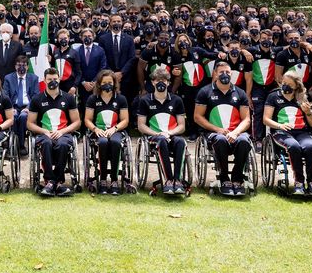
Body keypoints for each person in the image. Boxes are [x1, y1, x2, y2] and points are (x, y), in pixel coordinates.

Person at [192, 60, 252, 197]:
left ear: (231, 74)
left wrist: (236, 132)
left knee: (244, 141)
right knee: (220, 140)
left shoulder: (240, 93)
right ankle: (224, 178)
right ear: (215, 74)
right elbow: (197, 117)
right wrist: (218, 129)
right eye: (221, 72)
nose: (225, 75)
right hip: (214, 133)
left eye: (227, 72)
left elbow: (247, 120)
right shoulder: (205, 92)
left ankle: (237, 178)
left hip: (236, 132)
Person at [263, 71, 312, 196]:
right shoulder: (273, 96)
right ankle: (299, 182)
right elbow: (266, 119)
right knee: (293, 146)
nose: (285, 86)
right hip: (281, 131)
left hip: (302, 131)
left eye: (289, 84)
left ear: (296, 86)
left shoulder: (302, 98)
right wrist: (280, 125)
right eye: (284, 83)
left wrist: (308, 113)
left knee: (311, 147)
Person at [27, 68, 81, 196]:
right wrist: (44, 131)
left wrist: (63, 131)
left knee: (63, 145)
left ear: (59, 79)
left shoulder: (68, 98)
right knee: (46, 144)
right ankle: (50, 181)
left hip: (63, 133)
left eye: (55, 79)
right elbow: (29, 123)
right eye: (50, 79)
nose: (53, 81)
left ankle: (58, 182)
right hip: (44, 134)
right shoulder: (37, 99)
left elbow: (77, 122)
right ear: (45, 80)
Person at [135, 66, 188, 194]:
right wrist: (158, 134)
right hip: (154, 137)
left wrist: (169, 133)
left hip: (171, 134)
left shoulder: (177, 100)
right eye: (158, 80)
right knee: (161, 141)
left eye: (164, 81)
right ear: (152, 82)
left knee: (181, 142)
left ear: (168, 82)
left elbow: (182, 126)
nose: (160, 83)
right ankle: (169, 180)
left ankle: (177, 180)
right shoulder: (145, 100)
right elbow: (141, 125)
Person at [84, 69, 130, 194]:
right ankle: (103, 179)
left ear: (115, 83)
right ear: (99, 84)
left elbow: (125, 120)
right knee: (103, 143)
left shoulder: (121, 99)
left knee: (115, 143)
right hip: (98, 131)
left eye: (110, 82)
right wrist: (95, 129)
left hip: (115, 130)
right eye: (104, 82)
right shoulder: (93, 99)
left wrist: (114, 129)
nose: (107, 84)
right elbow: (87, 119)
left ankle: (114, 180)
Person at [3, 53, 39, 151]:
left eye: (24, 65)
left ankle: (21, 145)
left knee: (23, 117)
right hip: (13, 106)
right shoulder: (8, 78)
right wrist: (11, 109)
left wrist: (28, 109)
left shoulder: (34, 78)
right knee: (13, 117)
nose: (21, 67)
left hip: (27, 107)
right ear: (15, 66)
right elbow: (5, 95)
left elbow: (36, 96)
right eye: (19, 65)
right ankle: (13, 145)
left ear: (27, 67)